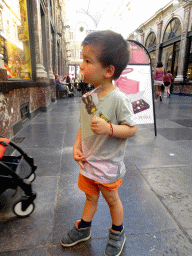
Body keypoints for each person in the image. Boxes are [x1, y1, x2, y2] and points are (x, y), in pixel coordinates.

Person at [60, 30, 137, 256]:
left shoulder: (118, 99)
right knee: (90, 196)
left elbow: (131, 129)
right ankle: (84, 228)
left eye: (87, 60)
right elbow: (84, 128)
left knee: (112, 200)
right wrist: (76, 147)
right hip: (89, 162)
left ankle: (117, 231)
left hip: (108, 164)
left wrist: (110, 129)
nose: (81, 66)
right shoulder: (89, 98)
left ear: (108, 70)